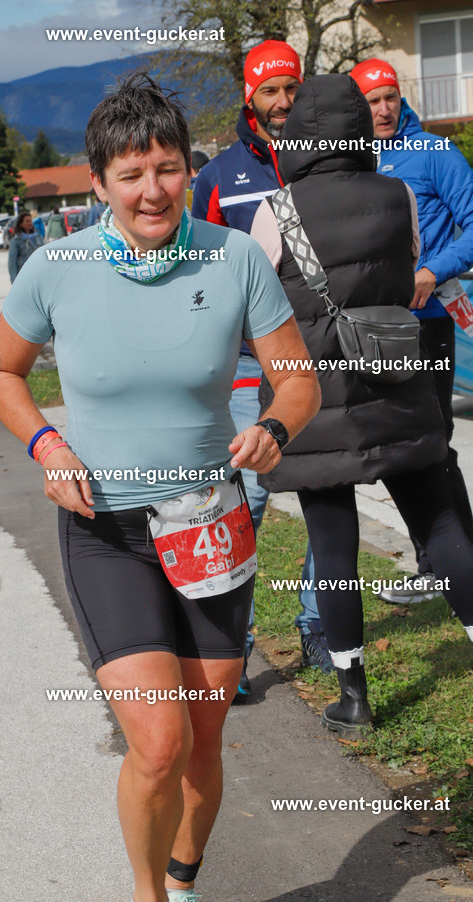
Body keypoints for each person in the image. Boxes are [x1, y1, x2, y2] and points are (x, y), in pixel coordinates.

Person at [0, 72, 320, 902]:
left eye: (167, 168)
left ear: (187, 169)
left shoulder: (233, 259)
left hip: (211, 521)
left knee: (207, 733)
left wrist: (276, 430)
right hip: (108, 530)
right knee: (160, 739)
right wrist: (47, 442)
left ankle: (181, 897)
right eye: (130, 174)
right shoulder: (56, 268)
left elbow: (297, 378)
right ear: (98, 184)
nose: (151, 190)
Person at [250, 73, 473, 739]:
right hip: (397, 379)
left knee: (334, 544)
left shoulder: (275, 209)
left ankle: (354, 697)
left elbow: (263, 302)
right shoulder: (399, 191)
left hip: (314, 399)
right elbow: (408, 274)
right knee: (440, 528)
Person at [193, 40, 331, 700]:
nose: (283, 102)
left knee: (326, 493)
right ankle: (234, 651)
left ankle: (320, 629)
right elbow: (194, 271)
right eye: (271, 91)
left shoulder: (328, 159)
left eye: (291, 89)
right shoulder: (219, 176)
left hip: (319, 360)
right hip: (249, 364)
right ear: (250, 95)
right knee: (242, 501)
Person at [349, 59, 473, 606]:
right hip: (374, 325)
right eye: (373, 99)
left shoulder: (434, 153)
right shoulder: (351, 158)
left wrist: (433, 269)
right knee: (403, 449)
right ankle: (446, 561)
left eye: (391, 97)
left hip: (427, 324)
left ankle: (448, 562)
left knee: (434, 442)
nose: (383, 108)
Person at [7, 212, 43, 283]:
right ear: (21, 224)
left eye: (30, 221)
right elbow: (12, 262)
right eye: (27, 221)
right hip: (24, 276)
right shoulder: (16, 241)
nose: (29, 223)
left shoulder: (37, 237)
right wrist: (14, 280)